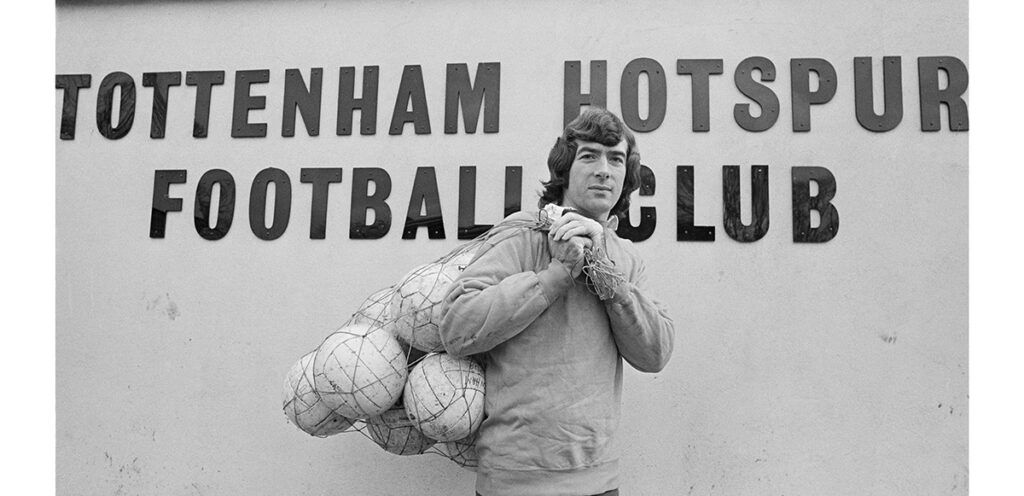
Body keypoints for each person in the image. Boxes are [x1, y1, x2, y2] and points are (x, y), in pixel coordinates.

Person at [439, 107, 675, 496]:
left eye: (616, 159)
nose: (604, 169)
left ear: (626, 177)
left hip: (599, 482)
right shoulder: (522, 236)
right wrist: (556, 275)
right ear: (565, 171)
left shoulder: (624, 256)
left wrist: (606, 274)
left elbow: (656, 353)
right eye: (589, 156)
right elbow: (457, 328)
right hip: (513, 481)